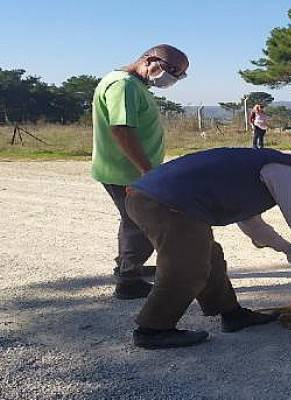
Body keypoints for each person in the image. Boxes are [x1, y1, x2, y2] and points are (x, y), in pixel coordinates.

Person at [124, 148, 291, 349]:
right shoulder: (289, 170)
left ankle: (232, 314)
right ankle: (153, 330)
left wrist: (287, 249)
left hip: (155, 197)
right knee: (187, 265)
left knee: (209, 255)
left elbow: (253, 226)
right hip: (163, 200)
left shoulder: (256, 174)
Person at [91, 44, 189, 300]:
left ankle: (126, 266)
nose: (174, 79)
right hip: (127, 171)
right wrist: (146, 170)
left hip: (127, 169)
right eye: (173, 72)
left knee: (132, 219)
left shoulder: (133, 85)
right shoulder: (124, 86)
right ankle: (129, 280)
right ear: (151, 60)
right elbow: (121, 129)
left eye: (180, 75)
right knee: (144, 222)